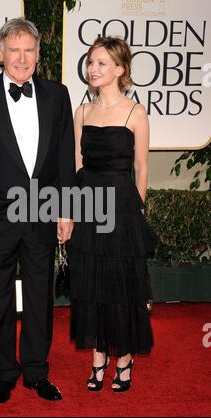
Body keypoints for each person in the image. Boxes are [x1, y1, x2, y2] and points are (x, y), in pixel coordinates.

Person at [0, 18, 75, 404]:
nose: (22, 57)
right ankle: (6, 370)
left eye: (29, 50)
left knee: (40, 297)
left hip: (42, 213)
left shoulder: (58, 96)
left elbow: (63, 161)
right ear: (0, 54)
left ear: (38, 55)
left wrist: (66, 210)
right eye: (15, 49)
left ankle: (37, 372)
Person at [69, 36, 157, 392]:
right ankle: (98, 357)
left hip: (121, 208)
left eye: (102, 63)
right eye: (91, 62)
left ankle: (124, 358)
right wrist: (72, 213)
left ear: (121, 70)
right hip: (89, 206)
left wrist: (134, 212)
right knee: (91, 284)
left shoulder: (136, 112)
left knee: (122, 285)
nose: (94, 69)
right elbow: (77, 165)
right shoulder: (83, 112)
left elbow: (142, 169)